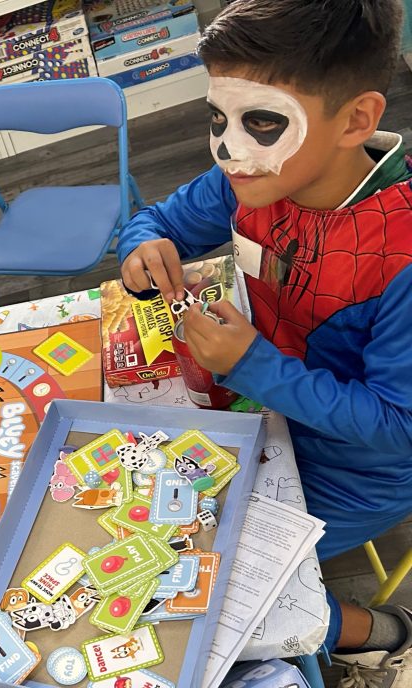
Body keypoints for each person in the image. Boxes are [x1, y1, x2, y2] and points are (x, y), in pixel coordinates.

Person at [116, 1, 412, 684]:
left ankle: (378, 631)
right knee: (143, 521)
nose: (229, 150)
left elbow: (398, 428)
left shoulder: (400, 256)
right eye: (219, 120)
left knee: (188, 576)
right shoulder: (255, 177)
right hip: (265, 414)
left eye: (263, 123)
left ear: (357, 121)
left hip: (358, 473)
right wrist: (142, 248)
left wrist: (254, 366)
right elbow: (157, 218)